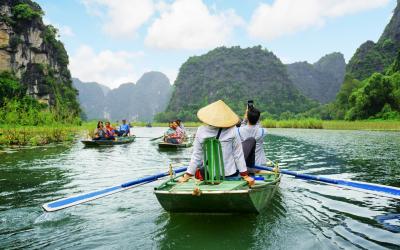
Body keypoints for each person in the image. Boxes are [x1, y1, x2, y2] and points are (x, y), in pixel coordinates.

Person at [178, 100, 254, 186]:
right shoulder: (233, 131)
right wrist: (245, 175)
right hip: (229, 175)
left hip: (209, 176)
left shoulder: (201, 131)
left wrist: (187, 175)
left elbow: (196, 156)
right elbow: (238, 155)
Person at [237, 106, 267, 172]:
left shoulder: (238, 131)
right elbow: (259, 126)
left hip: (245, 165)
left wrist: (245, 119)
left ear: (247, 117)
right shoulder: (263, 131)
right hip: (260, 165)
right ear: (258, 118)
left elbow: (242, 127)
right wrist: (256, 118)